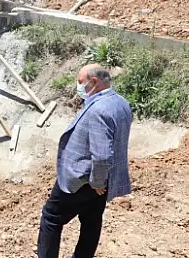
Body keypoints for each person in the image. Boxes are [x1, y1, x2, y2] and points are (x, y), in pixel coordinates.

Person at [37, 64, 132, 258]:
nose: (78, 86)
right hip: (104, 179)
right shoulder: (121, 102)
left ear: (94, 82)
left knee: (51, 218)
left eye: (81, 82)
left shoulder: (98, 110)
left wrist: (96, 181)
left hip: (83, 179)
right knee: (91, 222)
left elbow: (102, 154)